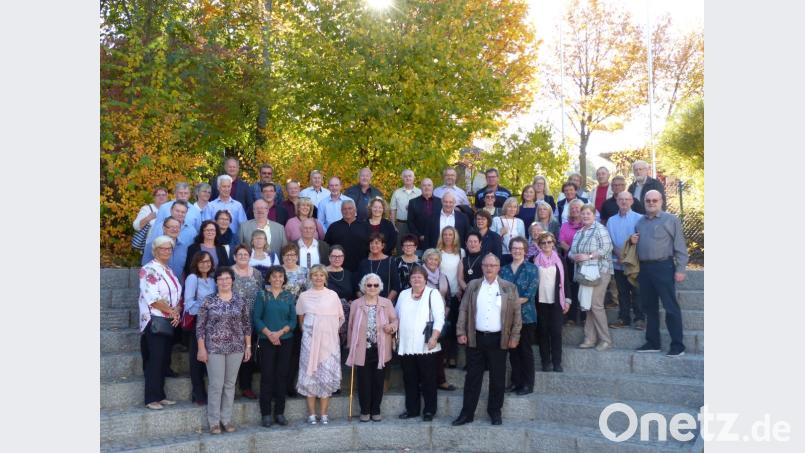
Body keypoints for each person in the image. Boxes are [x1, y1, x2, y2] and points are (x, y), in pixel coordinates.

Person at [453, 253, 522, 426]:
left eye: (492, 265)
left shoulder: (509, 287)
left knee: (498, 379)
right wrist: (461, 331)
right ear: (481, 267)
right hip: (476, 338)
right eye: (486, 265)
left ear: (498, 268)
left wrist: (515, 336)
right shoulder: (473, 285)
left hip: (499, 339)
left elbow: (516, 314)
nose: (489, 268)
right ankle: (467, 413)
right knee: (472, 379)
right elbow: (464, 310)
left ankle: (495, 412)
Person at [631, 189, 688, 357]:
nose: (651, 203)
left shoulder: (671, 220)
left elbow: (680, 246)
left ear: (661, 201)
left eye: (654, 200)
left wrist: (681, 269)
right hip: (645, 269)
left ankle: (678, 345)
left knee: (671, 307)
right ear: (644, 202)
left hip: (664, 267)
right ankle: (653, 342)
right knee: (649, 307)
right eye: (648, 200)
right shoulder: (640, 222)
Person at [195, 266, 252, 434]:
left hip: (236, 347)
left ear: (232, 281)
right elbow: (200, 327)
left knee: (229, 384)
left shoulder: (240, 301)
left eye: (227, 278)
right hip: (214, 348)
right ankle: (214, 421)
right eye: (221, 279)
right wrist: (201, 348)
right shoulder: (208, 301)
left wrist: (248, 346)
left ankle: (226, 419)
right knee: (216, 385)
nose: (224, 281)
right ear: (216, 282)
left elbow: (247, 325)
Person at [345, 273, 399, 422]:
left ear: (380, 287)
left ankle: (376, 410)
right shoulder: (356, 303)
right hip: (361, 348)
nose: (372, 288)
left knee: (378, 380)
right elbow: (350, 326)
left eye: (375, 285)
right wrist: (350, 346)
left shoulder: (386, 303)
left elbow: (395, 319)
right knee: (363, 381)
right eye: (369, 285)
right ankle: (364, 411)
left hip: (380, 348)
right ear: (364, 287)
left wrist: (392, 327)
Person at [296, 265, 345, 425]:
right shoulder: (304, 296)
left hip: (329, 342)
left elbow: (339, 318)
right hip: (310, 342)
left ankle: (324, 414)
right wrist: (311, 333)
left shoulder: (333, 295)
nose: (318, 278)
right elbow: (301, 318)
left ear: (325, 278)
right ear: (311, 277)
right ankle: (311, 414)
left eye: (321, 275)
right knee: (310, 376)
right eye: (315, 275)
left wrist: (326, 332)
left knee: (325, 377)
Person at [139, 236, 182, 411]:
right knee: (155, 360)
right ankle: (151, 397)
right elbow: (153, 298)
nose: (166, 251)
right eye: (162, 249)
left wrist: (177, 310)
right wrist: (172, 311)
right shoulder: (148, 269)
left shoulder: (168, 270)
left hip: (168, 319)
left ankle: (160, 395)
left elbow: (176, 294)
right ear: (155, 250)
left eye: (169, 249)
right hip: (154, 320)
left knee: (163, 359)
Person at [395, 265, 444, 421]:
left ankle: (429, 410)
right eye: (413, 277)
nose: (416, 279)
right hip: (406, 344)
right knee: (410, 379)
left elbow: (439, 318)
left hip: (426, 344)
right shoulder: (403, 294)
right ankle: (412, 410)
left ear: (425, 279)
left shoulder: (433, 293)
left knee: (428, 379)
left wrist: (434, 337)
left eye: (419, 277)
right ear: (410, 279)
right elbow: (396, 316)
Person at [253, 265, 297, 427]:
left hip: (285, 340)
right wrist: (270, 334)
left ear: (284, 279)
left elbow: (293, 321)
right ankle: (265, 414)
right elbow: (256, 318)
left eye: (280, 276)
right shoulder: (262, 295)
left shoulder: (289, 296)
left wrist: (279, 333)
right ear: (269, 278)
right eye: (274, 276)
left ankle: (279, 413)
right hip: (266, 340)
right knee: (267, 376)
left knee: (282, 376)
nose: (277, 279)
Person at [569, 204, 614, 352]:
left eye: (588, 214)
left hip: (601, 270)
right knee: (587, 305)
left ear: (594, 215)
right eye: (583, 214)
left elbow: (607, 248)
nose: (585, 216)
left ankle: (605, 339)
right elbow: (571, 251)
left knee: (595, 304)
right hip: (585, 272)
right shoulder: (579, 232)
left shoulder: (600, 229)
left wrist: (588, 256)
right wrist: (574, 256)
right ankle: (590, 338)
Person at [499, 237, 538, 395]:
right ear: (510, 249)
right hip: (509, 317)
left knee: (525, 351)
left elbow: (529, 294)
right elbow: (500, 292)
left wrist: (510, 302)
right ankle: (516, 382)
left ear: (525, 250)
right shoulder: (503, 270)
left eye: (520, 248)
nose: (517, 251)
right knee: (513, 351)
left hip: (526, 316)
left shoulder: (532, 269)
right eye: (514, 248)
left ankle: (528, 384)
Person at [606, 191, 645, 330]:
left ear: (632, 201)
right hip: (618, 262)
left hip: (634, 263)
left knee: (637, 291)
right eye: (621, 199)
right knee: (622, 293)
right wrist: (620, 256)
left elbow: (641, 240)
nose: (624, 202)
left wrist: (627, 256)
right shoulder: (611, 220)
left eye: (627, 199)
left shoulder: (640, 218)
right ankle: (623, 318)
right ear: (617, 201)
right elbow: (609, 241)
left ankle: (640, 319)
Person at [533, 232, 571, 372]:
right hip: (540, 302)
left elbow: (566, 280)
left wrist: (567, 300)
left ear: (553, 243)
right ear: (539, 245)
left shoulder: (560, 259)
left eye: (549, 242)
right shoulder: (534, 260)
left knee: (556, 333)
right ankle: (545, 362)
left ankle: (557, 362)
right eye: (543, 243)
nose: (547, 245)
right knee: (542, 333)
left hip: (556, 302)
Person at [183, 251, 216, 405]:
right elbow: (189, 304)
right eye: (202, 261)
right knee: (196, 358)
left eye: (208, 261)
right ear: (196, 263)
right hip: (198, 321)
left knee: (208, 358)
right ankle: (198, 392)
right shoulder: (192, 278)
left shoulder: (213, 279)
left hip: (213, 323)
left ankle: (208, 391)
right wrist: (206, 309)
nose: (205, 264)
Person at [231, 244, 263, 399]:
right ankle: (230, 387)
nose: (243, 256)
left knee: (248, 354)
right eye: (240, 254)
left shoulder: (256, 273)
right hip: (233, 319)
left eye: (245, 254)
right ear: (235, 256)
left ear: (250, 256)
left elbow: (262, 294)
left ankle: (246, 386)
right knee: (232, 353)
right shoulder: (229, 272)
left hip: (252, 318)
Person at [421, 248, 455, 391]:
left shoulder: (443, 277)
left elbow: (448, 299)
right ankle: (423, 382)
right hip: (422, 319)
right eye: (430, 259)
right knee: (423, 353)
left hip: (439, 319)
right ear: (425, 260)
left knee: (439, 351)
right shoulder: (418, 275)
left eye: (436, 260)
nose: (433, 262)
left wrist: (443, 314)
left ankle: (441, 380)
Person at [437, 226, 465, 369]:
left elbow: (463, 272)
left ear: (455, 237)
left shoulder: (461, 252)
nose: (448, 237)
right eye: (445, 234)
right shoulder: (438, 253)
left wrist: (460, 289)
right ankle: (442, 357)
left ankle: (453, 357)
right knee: (441, 326)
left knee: (454, 326)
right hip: (441, 296)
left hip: (456, 294)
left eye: (450, 234)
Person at [144, 200, 196, 267]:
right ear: (171, 210)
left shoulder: (192, 231)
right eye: (177, 211)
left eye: (183, 212)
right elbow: (150, 248)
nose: (180, 214)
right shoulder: (158, 227)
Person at [558, 199, 585, 325]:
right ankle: (572, 317)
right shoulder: (565, 225)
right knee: (572, 289)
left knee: (584, 288)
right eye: (572, 208)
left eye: (577, 208)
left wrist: (580, 255)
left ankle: (585, 317)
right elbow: (561, 241)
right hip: (569, 260)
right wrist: (572, 253)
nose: (574, 210)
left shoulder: (587, 224)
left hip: (585, 261)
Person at [323, 200, 369, 272]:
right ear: (341, 211)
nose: (347, 211)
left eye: (350, 208)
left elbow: (370, 246)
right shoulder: (334, 227)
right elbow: (327, 247)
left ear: (355, 210)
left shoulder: (365, 226)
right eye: (344, 209)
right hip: (338, 268)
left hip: (361, 267)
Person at [356, 233, 400, 302]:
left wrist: (386, 303)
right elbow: (357, 287)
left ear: (383, 245)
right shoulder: (363, 263)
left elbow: (395, 286)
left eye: (377, 243)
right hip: (366, 304)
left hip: (385, 304)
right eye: (371, 243)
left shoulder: (390, 262)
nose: (373, 245)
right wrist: (365, 302)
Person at [389, 169, 422, 253]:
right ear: (402, 178)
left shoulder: (420, 192)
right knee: (400, 247)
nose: (408, 178)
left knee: (414, 247)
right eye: (405, 176)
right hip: (401, 225)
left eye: (410, 176)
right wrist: (393, 225)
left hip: (416, 225)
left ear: (414, 178)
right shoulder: (397, 192)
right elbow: (392, 209)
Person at [406, 178, 442, 251]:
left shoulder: (440, 202)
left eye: (429, 185)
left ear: (432, 187)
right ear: (420, 187)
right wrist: (419, 236)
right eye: (424, 185)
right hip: (420, 241)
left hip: (437, 240)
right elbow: (410, 222)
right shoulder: (413, 202)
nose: (427, 187)